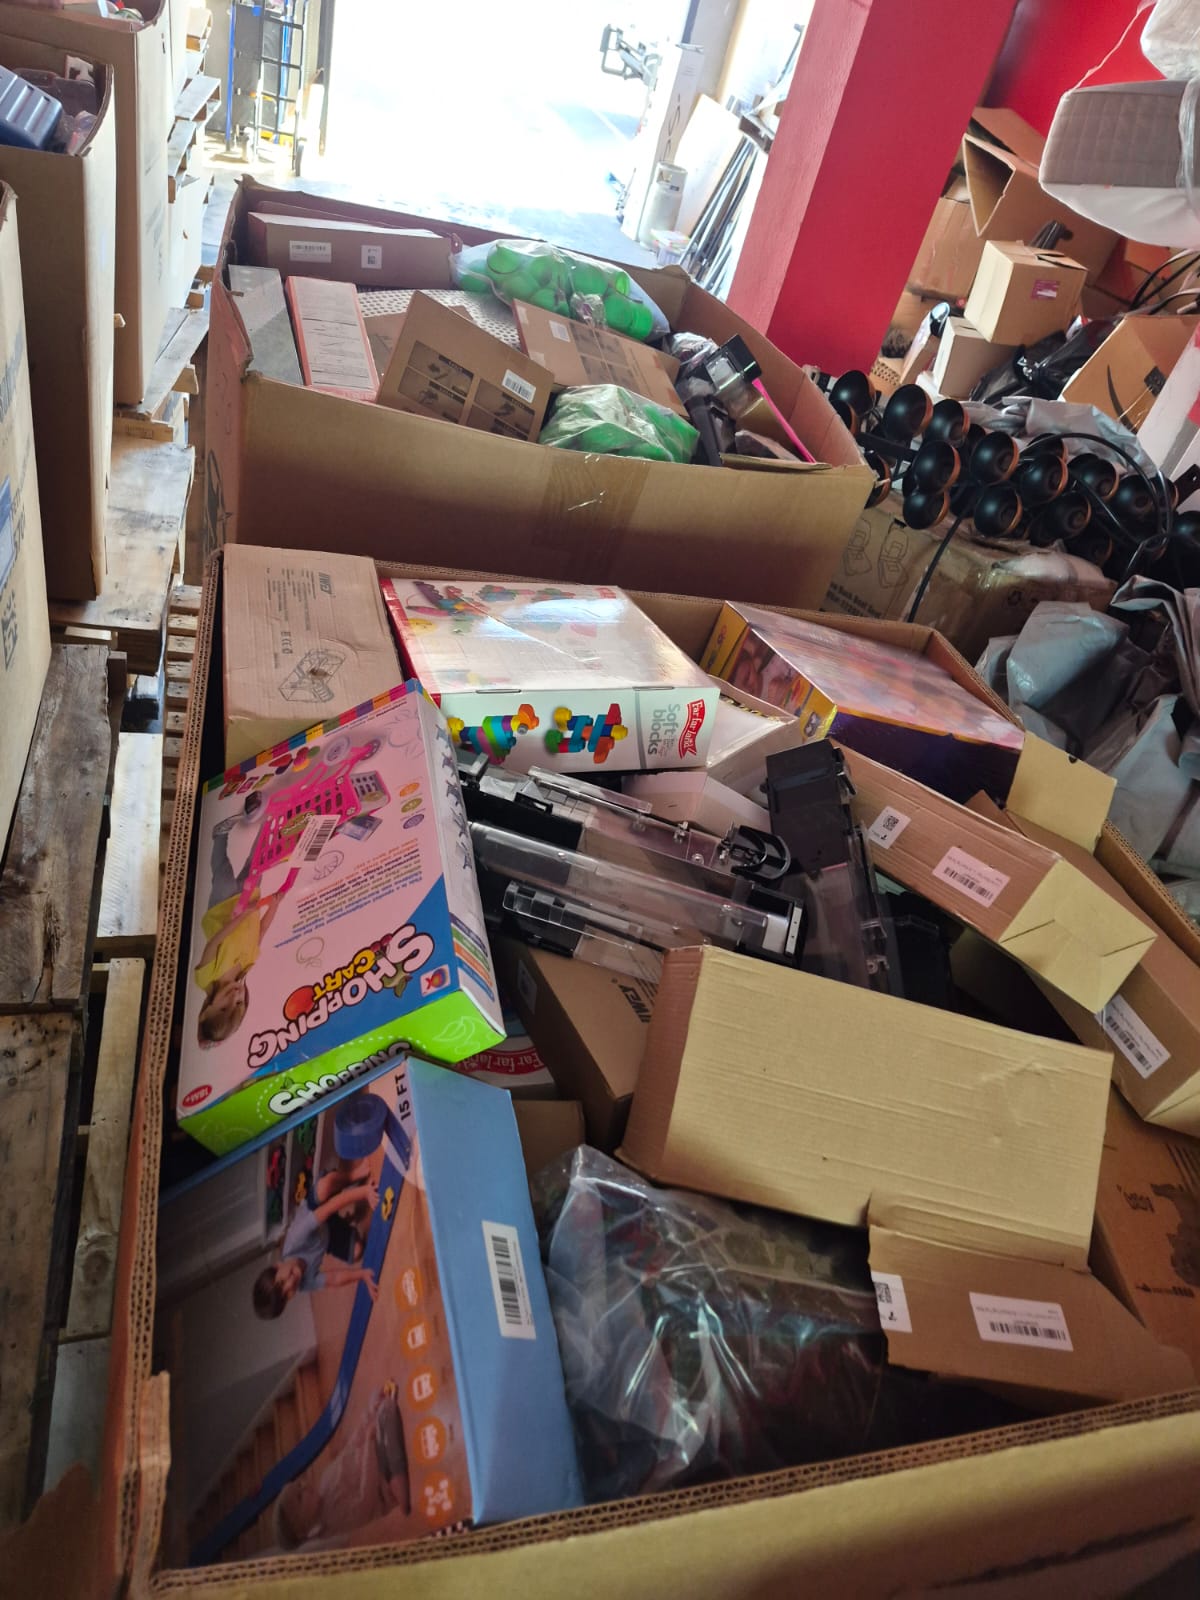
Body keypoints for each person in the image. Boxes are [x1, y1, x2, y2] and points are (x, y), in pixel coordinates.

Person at [272, 1383, 411, 1549]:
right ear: (304, 1531)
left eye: (299, 1484)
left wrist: (369, 1415)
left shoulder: (326, 1479)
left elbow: (351, 1448)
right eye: (300, 1497)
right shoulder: (333, 1523)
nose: (304, 1486)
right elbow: (365, 1500)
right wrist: (369, 1441)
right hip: (381, 1482)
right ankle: (397, 1481)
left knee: (376, 1397)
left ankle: (378, 1414)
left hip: (373, 1449)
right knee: (387, 1410)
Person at [253, 1180, 380, 1319]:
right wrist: (362, 1275)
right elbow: (334, 1279)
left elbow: (330, 1207)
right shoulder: (303, 1284)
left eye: (282, 1282)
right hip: (326, 1236)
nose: (291, 1284)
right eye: (286, 1296)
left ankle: (352, 1175)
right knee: (357, 1251)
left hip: (318, 1208)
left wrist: (365, 1191)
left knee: (325, 1187)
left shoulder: (295, 1239)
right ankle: (343, 1222)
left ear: (277, 1266)